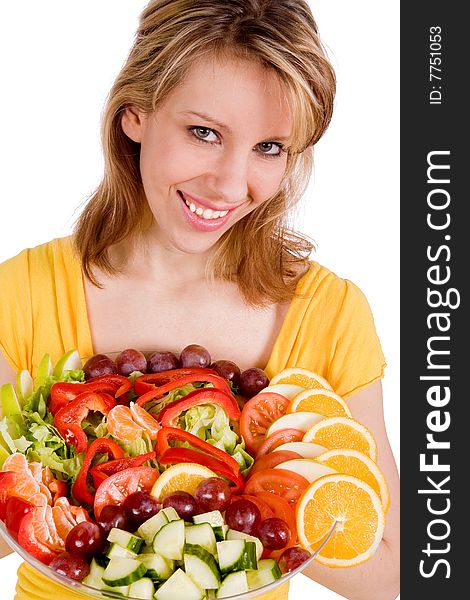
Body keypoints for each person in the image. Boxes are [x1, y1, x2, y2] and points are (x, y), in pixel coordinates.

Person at [0, 1, 399, 599]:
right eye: (204, 133)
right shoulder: (23, 292)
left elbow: (391, 570)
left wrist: (256, 488)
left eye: (269, 147)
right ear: (135, 113)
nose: (231, 184)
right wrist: (61, 479)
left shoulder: (329, 312)